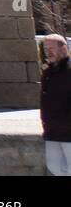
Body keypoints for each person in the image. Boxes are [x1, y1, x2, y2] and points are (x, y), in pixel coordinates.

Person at [40, 34, 71, 175]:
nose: (48, 52)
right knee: (54, 167)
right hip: (52, 131)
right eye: (46, 49)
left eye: (51, 48)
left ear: (64, 48)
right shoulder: (47, 73)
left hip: (69, 132)